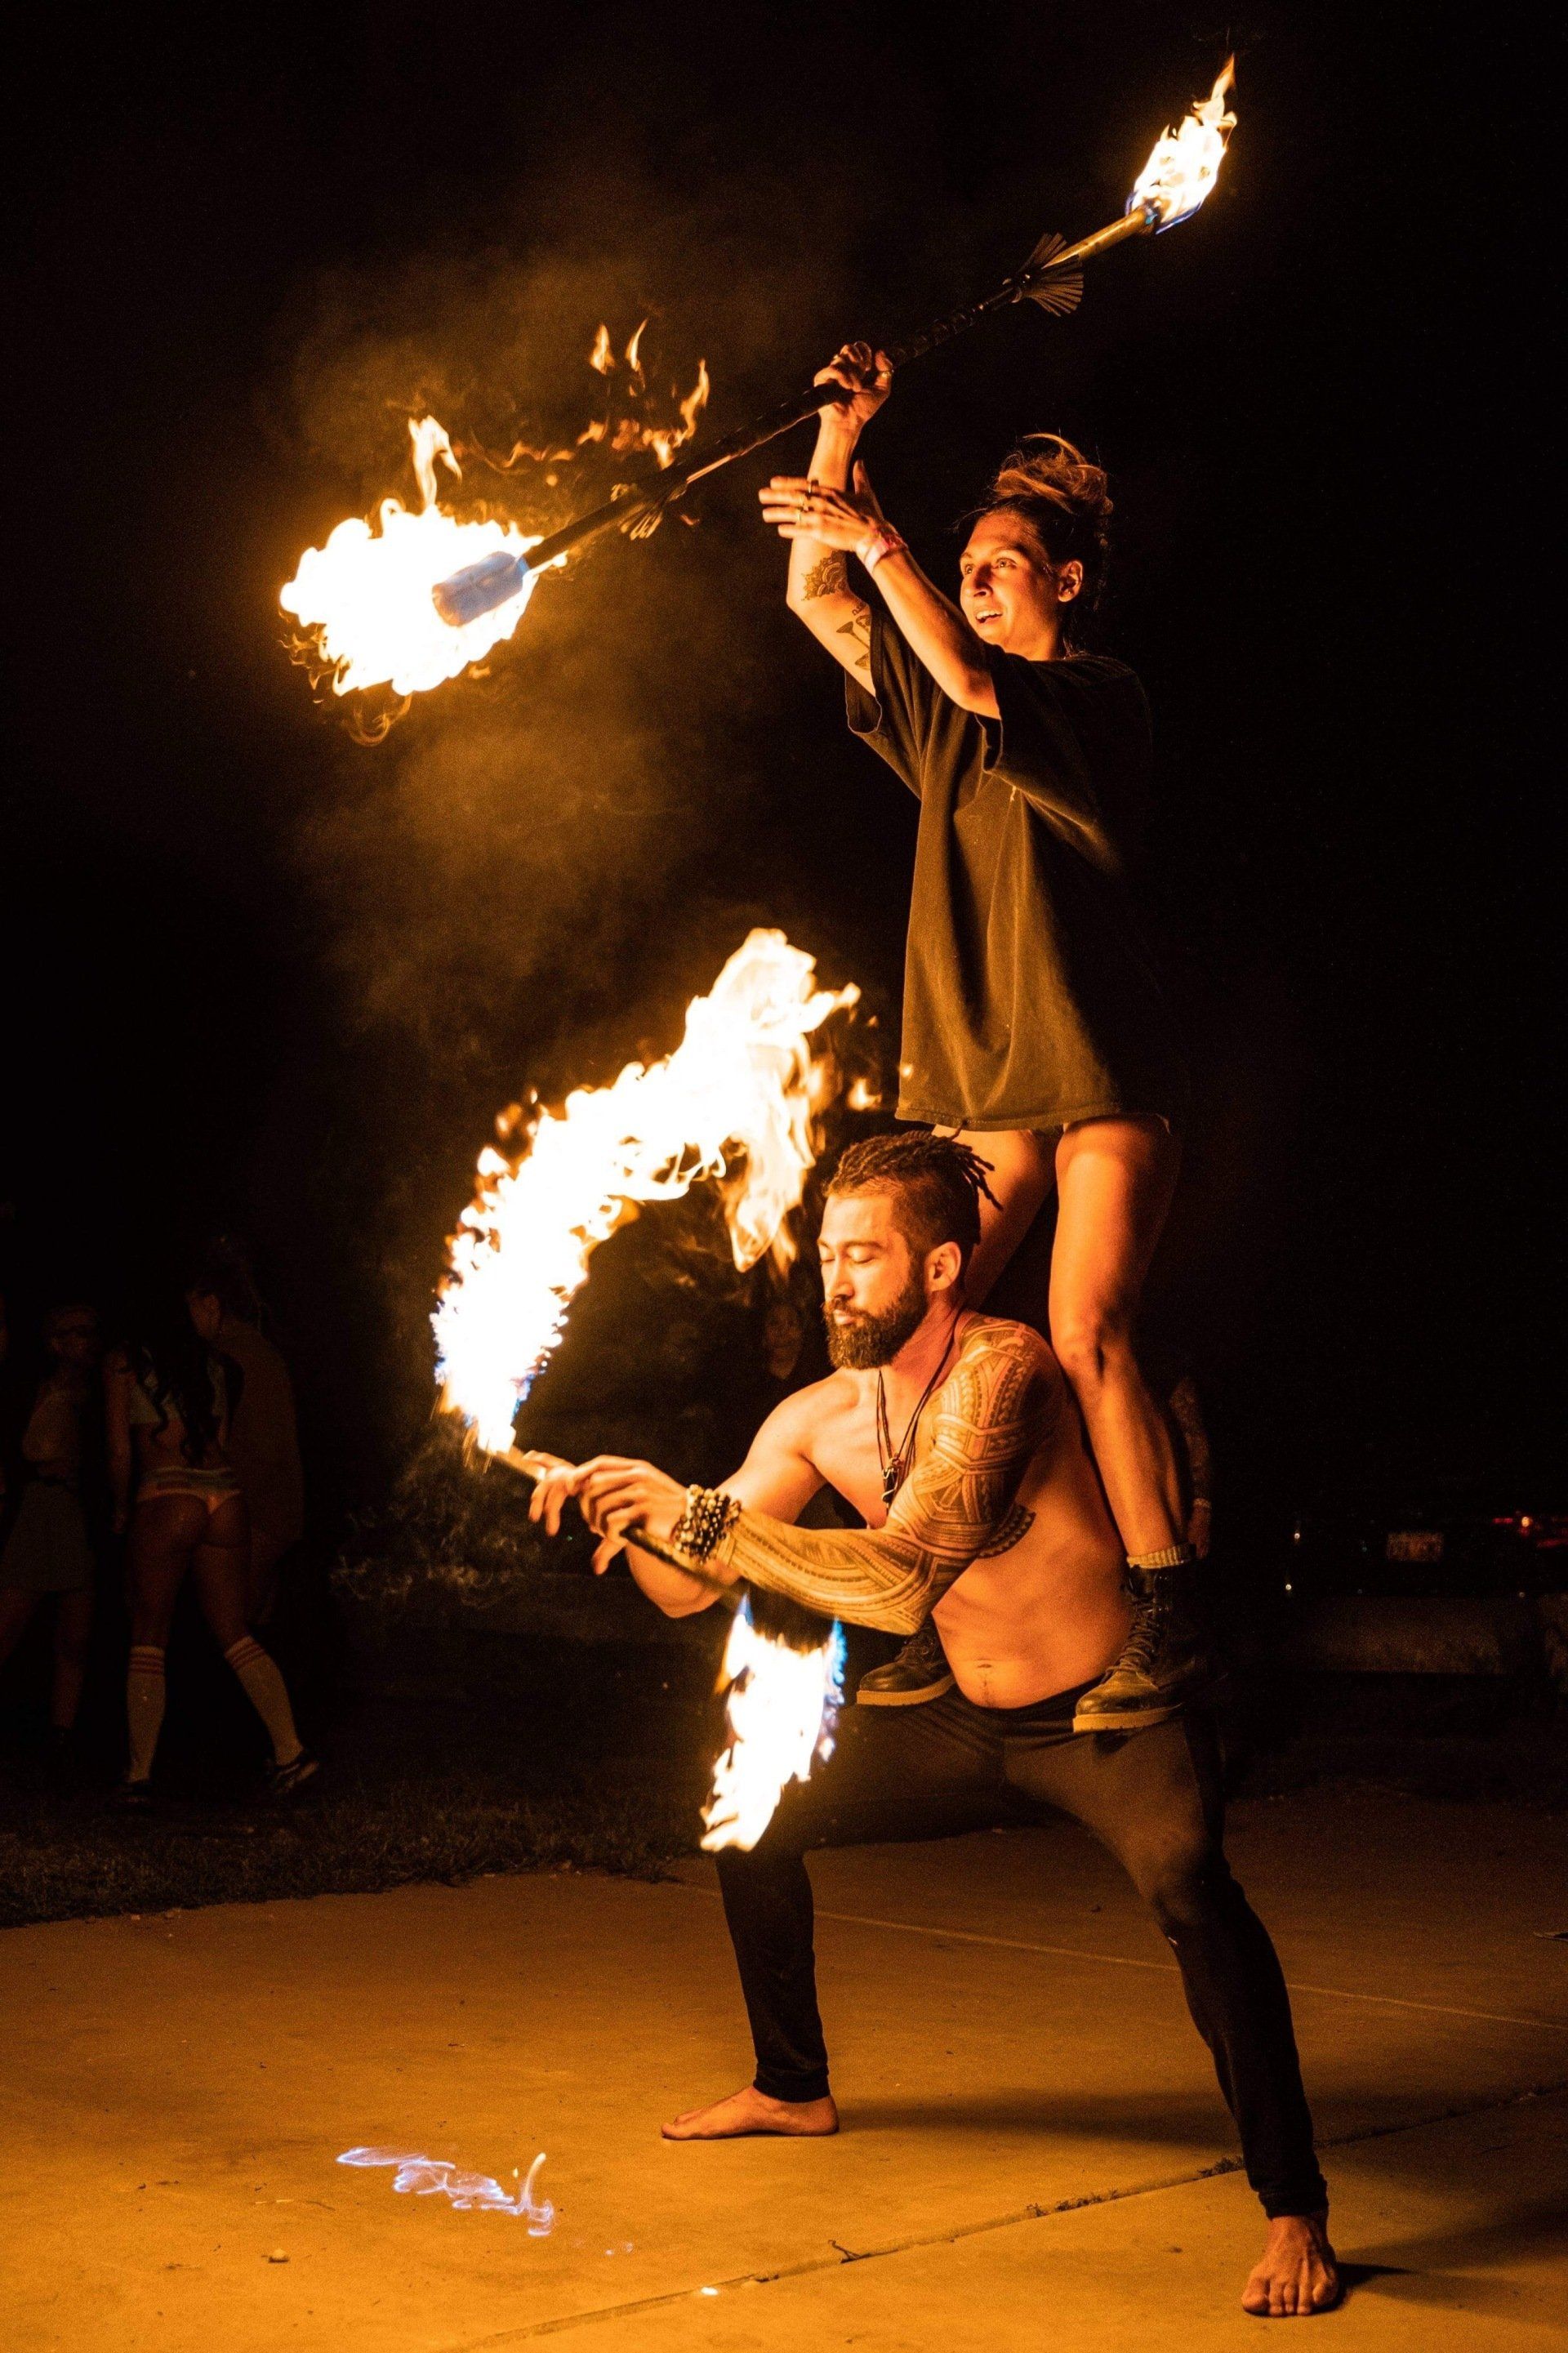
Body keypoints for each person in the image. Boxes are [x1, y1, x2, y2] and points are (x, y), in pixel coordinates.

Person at [528, 1134, 1336, 2320]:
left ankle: (1293, 2209)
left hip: (1103, 1714)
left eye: (864, 1256)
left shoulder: (1006, 1370)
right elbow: (688, 1591)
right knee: (751, 1805)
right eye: (826, 1256)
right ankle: (792, 2085)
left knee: (1191, 1890)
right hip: (960, 1718)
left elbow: (902, 1579)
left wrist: (701, 1518)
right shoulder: (815, 1417)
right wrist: (635, 1518)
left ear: (943, 1265)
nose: (836, 1282)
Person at [757, 351, 1199, 1734]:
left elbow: (958, 657)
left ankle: (1169, 1607)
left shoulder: (1096, 698)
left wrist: (887, 538)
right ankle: (920, 1594)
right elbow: (819, 595)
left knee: (1085, 1330)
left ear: (1067, 579)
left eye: (1003, 561)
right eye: (968, 563)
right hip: (986, 1074)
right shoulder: (940, 717)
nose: (979, 578)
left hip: (1102, 1068)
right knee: (909, 1341)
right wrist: (840, 437)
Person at [105, 1289, 316, 1806]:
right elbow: (220, 1439)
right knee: (235, 1633)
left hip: (168, 1494)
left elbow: (119, 1450)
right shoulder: (214, 1365)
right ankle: (290, 1753)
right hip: (225, 1498)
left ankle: (138, 1775)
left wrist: (121, 1509)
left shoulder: (124, 1362)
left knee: (149, 1634)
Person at [185, 1243, 305, 1624]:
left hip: (258, 1509)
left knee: (233, 1627)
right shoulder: (254, 1348)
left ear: (210, 1304)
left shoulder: (230, 1356)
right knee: (253, 1621)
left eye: (188, 1307)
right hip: (275, 1507)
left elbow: (255, 1443)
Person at [0, 1303, 102, 1748]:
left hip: (80, 1514)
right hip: (39, 1510)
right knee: (9, 1621)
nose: (88, 1340)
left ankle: (63, 1734)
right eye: (77, 1332)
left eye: (91, 1331)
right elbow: (22, 1450)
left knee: (75, 1636)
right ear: (55, 1342)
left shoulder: (101, 1393)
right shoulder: (34, 1389)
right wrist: (42, 1470)